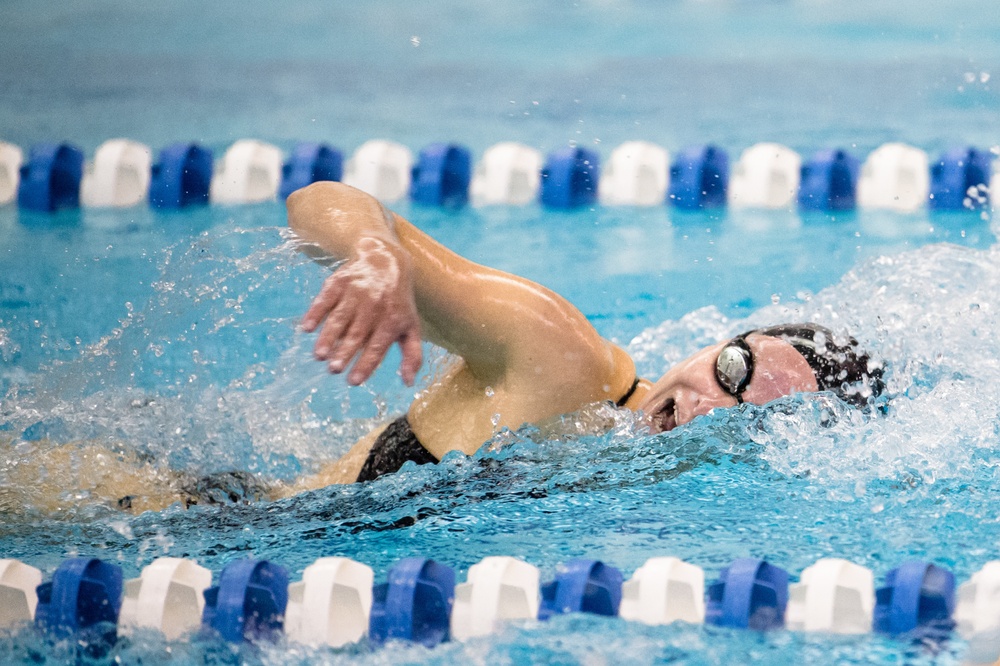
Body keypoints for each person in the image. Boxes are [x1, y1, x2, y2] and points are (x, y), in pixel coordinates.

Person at [283, 182, 884, 491]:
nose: (708, 406)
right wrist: (375, 252)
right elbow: (316, 201)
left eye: (750, 417)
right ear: (717, 343)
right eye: (730, 371)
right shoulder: (558, 356)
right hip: (214, 520)